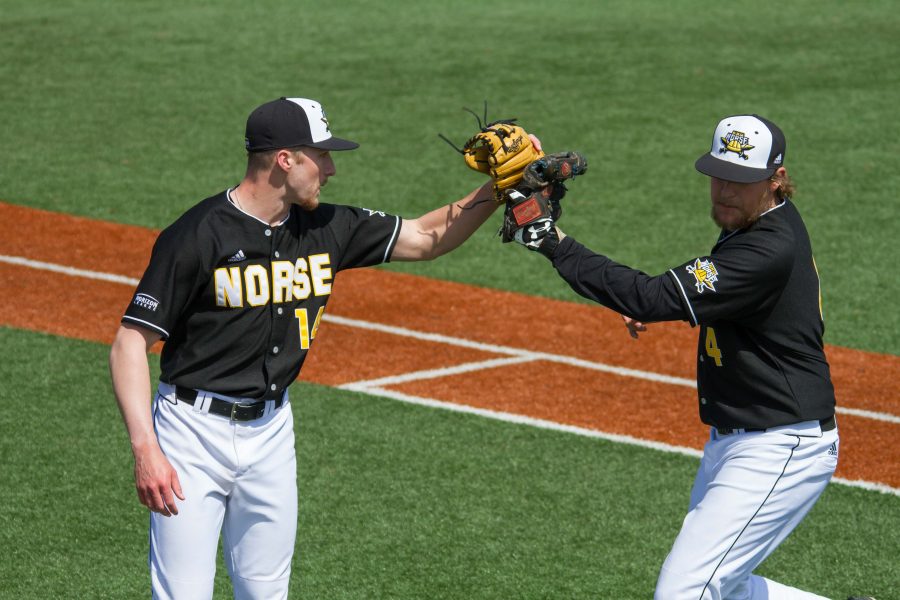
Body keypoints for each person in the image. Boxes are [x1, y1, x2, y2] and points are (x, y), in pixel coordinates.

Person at [109, 97, 535, 599]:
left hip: (270, 432)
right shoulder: (198, 234)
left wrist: (502, 187)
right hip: (189, 435)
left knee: (267, 592)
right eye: (322, 156)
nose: (331, 169)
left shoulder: (326, 227)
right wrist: (146, 449)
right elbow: (130, 343)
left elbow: (426, 237)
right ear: (285, 159)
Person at [510, 114, 847, 599]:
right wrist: (642, 300)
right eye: (719, 174)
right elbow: (674, 297)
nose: (725, 190)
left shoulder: (766, 249)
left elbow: (651, 295)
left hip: (781, 445)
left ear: (776, 179)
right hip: (739, 436)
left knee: (684, 592)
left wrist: (552, 242)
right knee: (722, 588)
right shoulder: (759, 221)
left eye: (741, 179)